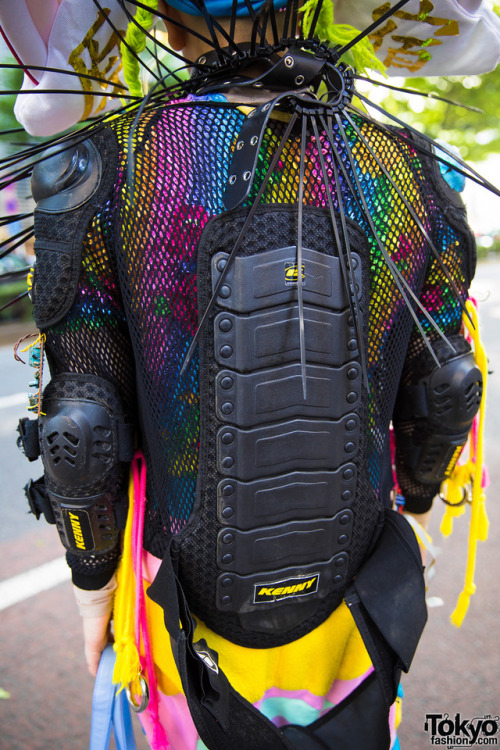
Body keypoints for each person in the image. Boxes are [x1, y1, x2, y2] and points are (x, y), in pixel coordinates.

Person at [5, 0, 498, 747]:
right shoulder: (409, 170)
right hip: (352, 591)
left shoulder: (118, 170)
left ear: (168, 24)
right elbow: (446, 384)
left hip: (178, 610)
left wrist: (91, 586)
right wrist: (420, 510)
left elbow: (83, 426)